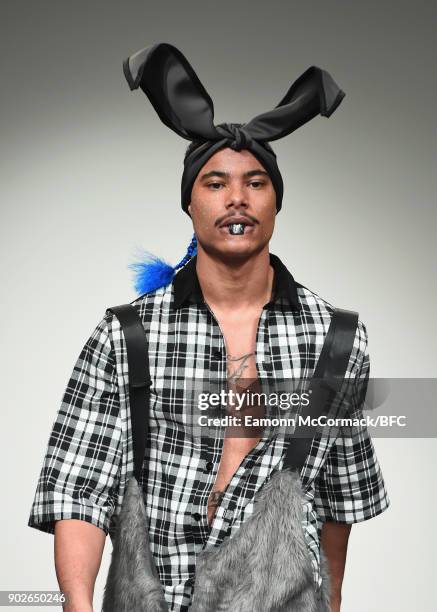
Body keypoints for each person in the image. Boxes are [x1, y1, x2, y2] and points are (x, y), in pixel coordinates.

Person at [28, 43, 390, 612]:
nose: (237, 199)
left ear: (276, 203)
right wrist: (77, 603)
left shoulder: (337, 340)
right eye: (216, 183)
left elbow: (339, 497)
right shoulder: (126, 335)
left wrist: (333, 600)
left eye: (255, 182)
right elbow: (80, 485)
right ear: (190, 204)